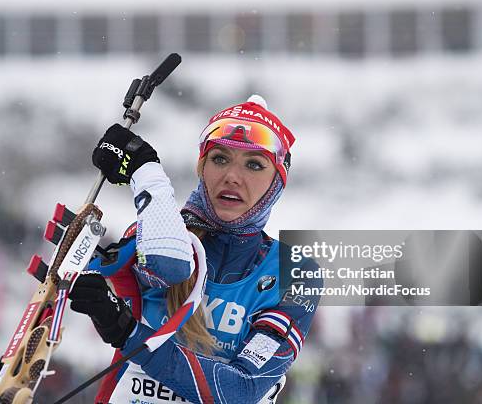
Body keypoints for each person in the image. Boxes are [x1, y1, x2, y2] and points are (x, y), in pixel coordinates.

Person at [69, 95, 321, 403]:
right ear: (202, 167)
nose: (232, 176)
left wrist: (130, 335)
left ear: (277, 181)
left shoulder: (293, 272)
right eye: (220, 159)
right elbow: (156, 264)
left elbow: (240, 392)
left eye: (254, 165)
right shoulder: (164, 236)